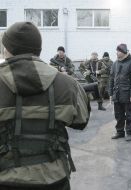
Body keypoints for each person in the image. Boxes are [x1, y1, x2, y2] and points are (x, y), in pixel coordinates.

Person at [0, 22, 90, 190]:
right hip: (54, 178)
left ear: (8, 49)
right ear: (38, 49)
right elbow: (81, 121)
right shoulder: (68, 83)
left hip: (5, 178)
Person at [109, 44, 131, 141]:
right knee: (118, 115)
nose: (116, 53)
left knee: (129, 115)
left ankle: (129, 133)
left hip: (128, 94)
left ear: (124, 52)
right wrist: (110, 93)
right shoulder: (115, 63)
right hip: (117, 94)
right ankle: (120, 132)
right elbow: (111, 79)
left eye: (118, 51)